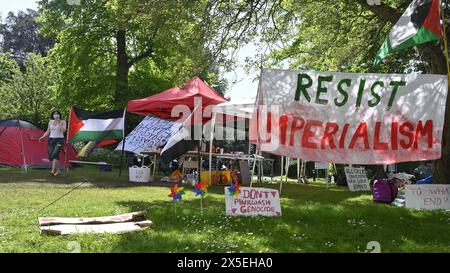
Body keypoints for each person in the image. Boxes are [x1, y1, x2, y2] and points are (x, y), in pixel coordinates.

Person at [39, 110, 67, 176]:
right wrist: (42, 137)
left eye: (57, 114)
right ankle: (58, 170)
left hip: (60, 139)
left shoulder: (63, 121)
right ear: (53, 115)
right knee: (52, 155)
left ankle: (53, 170)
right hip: (51, 139)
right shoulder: (50, 121)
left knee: (55, 154)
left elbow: (63, 130)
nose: (56, 115)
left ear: (59, 115)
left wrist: (59, 124)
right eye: (54, 114)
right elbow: (48, 131)